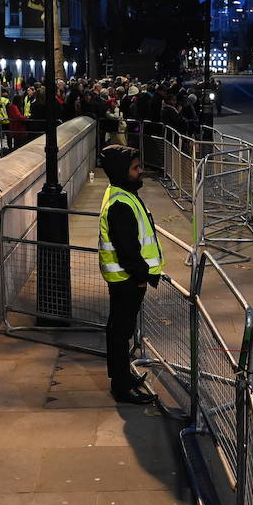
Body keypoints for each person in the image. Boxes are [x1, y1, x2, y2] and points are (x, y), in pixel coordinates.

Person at [98, 144, 164, 404]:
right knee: (120, 333)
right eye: (136, 168)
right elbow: (128, 249)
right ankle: (122, 388)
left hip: (124, 279)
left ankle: (122, 378)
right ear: (121, 171)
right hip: (127, 280)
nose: (141, 171)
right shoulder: (120, 203)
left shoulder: (121, 194)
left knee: (119, 332)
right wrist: (141, 277)